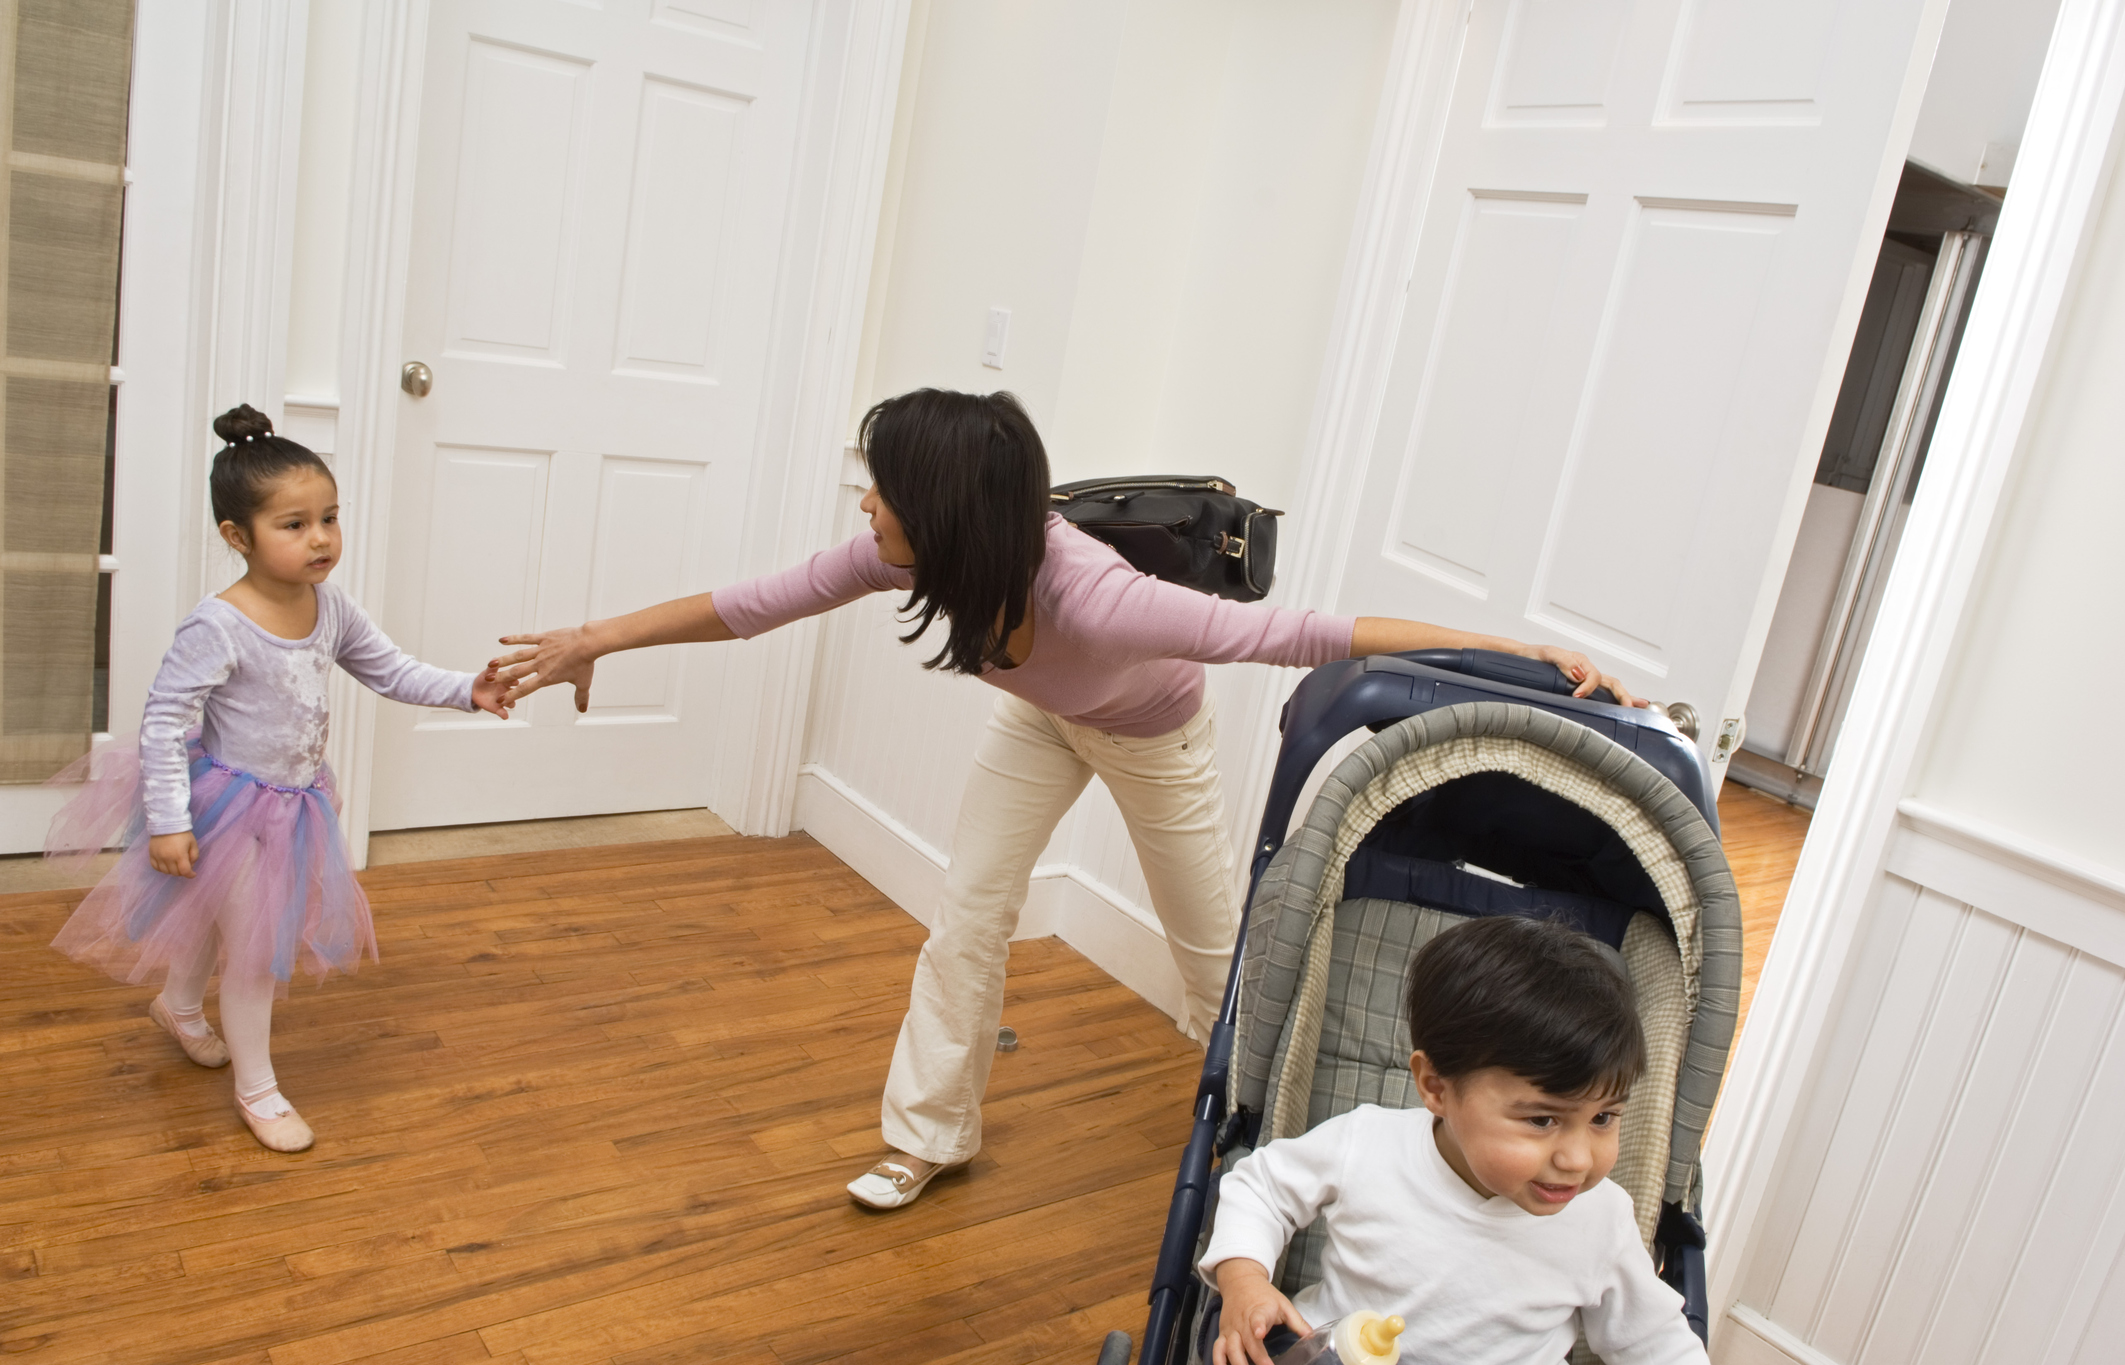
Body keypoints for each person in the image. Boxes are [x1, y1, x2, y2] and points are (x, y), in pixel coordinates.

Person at [486, 388, 1643, 1210]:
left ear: (941, 507)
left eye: (878, 494)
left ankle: (1273, 1160)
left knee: (1213, 962)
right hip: (1040, 724)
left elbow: (1306, 630)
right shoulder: (913, 558)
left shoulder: (1101, 599)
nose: (863, 513)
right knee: (968, 914)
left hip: (1154, 738)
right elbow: (751, 603)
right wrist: (591, 639)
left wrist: (1508, 649)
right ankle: (926, 1137)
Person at [45, 405, 509, 1152]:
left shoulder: (330, 607)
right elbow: (165, 720)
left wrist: (467, 689)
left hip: (294, 803)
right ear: (238, 536)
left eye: (328, 517)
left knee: (229, 924)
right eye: (294, 524)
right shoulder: (220, 623)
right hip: (224, 803)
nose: (320, 537)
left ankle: (179, 1005)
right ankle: (257, 1089)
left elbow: (389, 667)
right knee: (255, 946)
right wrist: (168, 820)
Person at [1203, 916, 1730, 1365]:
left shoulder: (1602, 1221)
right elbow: (1260, 1188)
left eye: (1604, 1118)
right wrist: (1245, 1279)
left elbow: (1657, 1345)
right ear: (1436, 1087)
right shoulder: (1367, 1144)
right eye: (1543, 1121)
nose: (1577, 1159)